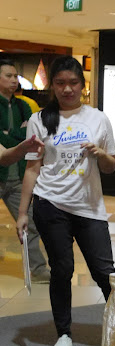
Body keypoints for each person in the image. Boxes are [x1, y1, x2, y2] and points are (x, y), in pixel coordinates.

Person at [15, 55, 115, 346]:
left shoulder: (98, 118)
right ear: (53, 86)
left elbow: (111, 166)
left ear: (82, 85)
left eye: (73, 82)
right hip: (50, 204)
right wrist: (22, 213)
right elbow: (32, 168)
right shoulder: (39, 120)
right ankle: (63, 332)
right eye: (60, 83)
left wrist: (100, 154)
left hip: (89, 206)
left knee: (105, 271)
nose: (67, 89)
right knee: (62, 269)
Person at [0, 58, 50, 282]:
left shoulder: (24, 106)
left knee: (29, 223)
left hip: (16, 177)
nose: (14, 80)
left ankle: (38, 270)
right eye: (8, 76)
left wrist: (9, 135)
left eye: (15, 76)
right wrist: (17, 137)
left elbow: (30, 136)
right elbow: (18, 138)